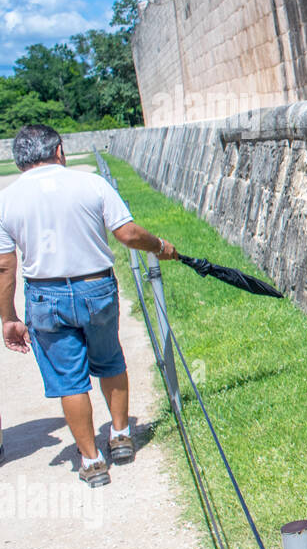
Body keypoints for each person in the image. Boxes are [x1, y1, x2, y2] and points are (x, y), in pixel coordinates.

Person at [0, 125, 178, 487]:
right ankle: (121, 435)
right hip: (95, 285)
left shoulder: (7, 199)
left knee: (69, 381)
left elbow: (6, 266)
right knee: (110, 360)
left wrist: (8, 317)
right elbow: (126, 234)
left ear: (19, 160)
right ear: (60, 150)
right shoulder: (91, 184)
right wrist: (160, 245)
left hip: (45, 295)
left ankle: (92, 460)